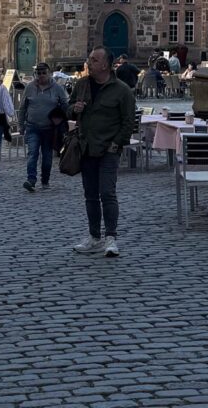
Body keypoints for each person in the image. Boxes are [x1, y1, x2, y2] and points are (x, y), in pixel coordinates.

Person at [69, 46, 136, 258]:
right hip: (86, 147)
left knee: (107, 193)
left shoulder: (121, 90)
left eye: (94, 60)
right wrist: (73, 109)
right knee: (90, 195)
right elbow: (67, 107)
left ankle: (111, 238)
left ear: (106, 64)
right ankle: (94, 236)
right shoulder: (81, 85)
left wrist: (117, 143)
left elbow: (128, 121)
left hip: (108, 149)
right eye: (89, 58)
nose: (89, 62)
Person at [19, 62, 69, 193]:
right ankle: (31, 180)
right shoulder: (29, 87)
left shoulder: (57, 88)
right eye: (38, 73)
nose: (41, 76)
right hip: (32, 126)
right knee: (32, 154)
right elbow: (23, 107)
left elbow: (65, 104)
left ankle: (45, 180)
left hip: (49, 129)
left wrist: (65, 118)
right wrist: (21, 125)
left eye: (44, 73)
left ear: (49, 73)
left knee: (47, 157)